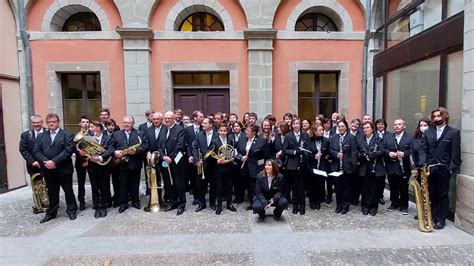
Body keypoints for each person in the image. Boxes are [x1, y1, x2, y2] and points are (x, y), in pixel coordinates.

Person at [420, 107, 461, 230]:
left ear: (445, 117)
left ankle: (441, 219)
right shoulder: (428, 132)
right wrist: (423, 163)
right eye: (435, 117)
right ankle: (432, 216)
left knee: (442, 195)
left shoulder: (453, 133)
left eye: (439, 116)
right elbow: (423, 149)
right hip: (430, 169)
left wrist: (451, 168)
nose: (437, 119)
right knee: (431, 194)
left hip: (444, 169)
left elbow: (455, 153)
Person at [33, 113, 77, 223]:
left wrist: (54, 161)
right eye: (49, 122)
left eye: (53, 121)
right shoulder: (41, 136)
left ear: (58, 122)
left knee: (68, 190)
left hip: (63, 169)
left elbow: (68, 150)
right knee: (52, 192)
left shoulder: (67, 134)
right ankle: (51, 212)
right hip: (47, 169)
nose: (51, 123)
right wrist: (45, 162)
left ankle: (71, 210)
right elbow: (36, 151)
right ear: (46, 123)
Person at [113, 116, 149, 214]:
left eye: (128, 123)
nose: (126, 124)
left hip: (135, 162)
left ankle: (135, 201)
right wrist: (115, 152)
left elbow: (145, 146)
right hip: (121, 163)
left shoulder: (140, 133)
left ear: (133, 123)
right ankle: (123, 203)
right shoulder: (116, 134)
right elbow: (111, 146)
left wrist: (136, 151)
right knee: (122, 184)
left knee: (135, 183)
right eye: (124, 122)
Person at [82, 121, 115, 218]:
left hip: (104, 166)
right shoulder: (88, 139)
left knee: (104, 186)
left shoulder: (108, 139)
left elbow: (111, 150)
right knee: (94, 187)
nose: (90, 128)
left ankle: (104, 206)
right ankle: (97, 206)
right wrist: (85, 155)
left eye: (92, 127)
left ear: (98, 128)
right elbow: (85, 151)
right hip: (92, 166)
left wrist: (100, 157)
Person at [158, 111, 187, 216]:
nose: (166, 120)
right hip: (165, 161)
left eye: (169, 118)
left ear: (174, 118)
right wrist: (163, 156)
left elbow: (180, 145)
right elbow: (159, 146)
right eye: (165, 118)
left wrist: (171, 157)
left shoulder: (180, 130)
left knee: (179, 184)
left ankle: (181, 205)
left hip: (177, 162)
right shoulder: (163, 130)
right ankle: (173, 202)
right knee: (168, 184)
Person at [235, 125, 270, 210]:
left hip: (256, 168)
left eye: (248, 131)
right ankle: (251, 201)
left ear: (254, 132)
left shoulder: (262, 141)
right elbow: (237, 151)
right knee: (247, 186)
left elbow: (265, 156)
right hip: (244, 167)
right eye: (246, 130)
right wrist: (240, 157)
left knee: (254, 187)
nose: (246, 132)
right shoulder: (242, 139)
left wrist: (263, 167)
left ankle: (256, 203)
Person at [357, 121, 386, 216]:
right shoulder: (360, 139)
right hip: (364, 167)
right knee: (364, 188)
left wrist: (371, 155)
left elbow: (382, 150)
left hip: (376, 167)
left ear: (372, 128)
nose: (366, 129)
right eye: (364, 128)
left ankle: (373, 207)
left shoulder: (379, 139)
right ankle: (365, 206)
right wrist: (363, 156)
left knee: (375, 189)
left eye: (367, 127)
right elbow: (357, 152)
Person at [19, 115, 47, 213]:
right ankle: (39, 204)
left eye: (38, 122)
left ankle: (50, 202)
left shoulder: (48, 132)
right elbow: (23, 150)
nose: (36, 125)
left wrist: (44, 161)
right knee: (37, 185)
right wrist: (33, 162)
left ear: (42, 122)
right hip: (33, 165)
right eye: (34, 123)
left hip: (46, 163)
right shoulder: (25, 135)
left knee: (48, 184)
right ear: (31, 123)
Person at [329, 120, 358, 214]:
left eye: (343, 126)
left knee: (347, 188)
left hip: (347, 167)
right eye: (339, 126)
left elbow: (354, 152)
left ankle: (345, 206)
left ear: (346, 127)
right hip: (336, 167)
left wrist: (353, 166)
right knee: (337, 188)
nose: (341, 128)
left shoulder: (351, 137)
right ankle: (338, 205)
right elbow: (330, 150)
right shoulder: (333, 137)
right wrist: (337, 154)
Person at [282, 118, 309, 215]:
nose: (296, 125)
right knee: (294, 187)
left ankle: (302, 207)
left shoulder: (305, 135)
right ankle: (295, 206)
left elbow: (308, 148)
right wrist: (294, 152)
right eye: (294, 124)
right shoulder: (288, 136)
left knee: (302, 187)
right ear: (292, 125)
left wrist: (304, 153)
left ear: (300, 125)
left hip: (302, 164)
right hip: (292, 164)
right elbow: (284, 150)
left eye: (297, 123)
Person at [386, 119, 412, 215]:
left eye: (399, 124)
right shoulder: (389, 137)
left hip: (403, 167)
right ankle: (394, 203)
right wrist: (389, 153)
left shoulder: (409, 137)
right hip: (392, 166)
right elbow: (384, 149)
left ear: (404, 126)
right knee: (393, 186)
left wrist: (404, 153)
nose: (396, 126)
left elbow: (413, 151)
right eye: (395, 124)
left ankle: (404, 205)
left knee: (404, 187)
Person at [191, 117, 218, 212]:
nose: (203, 124)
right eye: (203, 123)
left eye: (205, 123)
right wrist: (197, 160)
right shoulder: (199, 135)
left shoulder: (217, 134)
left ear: (211, 125)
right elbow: (194, 147)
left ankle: (212, 203)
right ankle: (201, 204)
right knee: (200, 185)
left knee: (213, 184)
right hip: (201, 164)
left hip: (214, 164)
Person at [211, 124, 237, 214]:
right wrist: (217, 160)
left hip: (228, 167)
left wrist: (230, 158)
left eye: (224, 131)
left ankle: (229, 204)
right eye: (221, 131)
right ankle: (219, 206)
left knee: (229, 186)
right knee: (219, 187)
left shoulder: (230, 140)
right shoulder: (214, 141)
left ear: (227, 131)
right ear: (218, 131)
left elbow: (230, 151)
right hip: (218, 168)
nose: (223, 132)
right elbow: (211, 154)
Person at [306, 124, 330, 210]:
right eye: (320, 130)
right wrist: (314, 156)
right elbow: (307, 153)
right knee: (312, 185)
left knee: (320, 184)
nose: (322, 131)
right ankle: (312, 202)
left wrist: (326, 157)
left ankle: (318, 201)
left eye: (322, 130)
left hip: (322, 166)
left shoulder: (326, 141)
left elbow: (328, 152)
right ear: (315, 131)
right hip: (312, 166)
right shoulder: (309, 140)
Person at [144, 112, 167, 202]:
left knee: (166, 178)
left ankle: (167, 197)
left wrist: (161, 153)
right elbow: (146, 143)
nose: (156, 121)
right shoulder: (148, 130)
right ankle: (157, 198)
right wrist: (148, 151)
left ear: (161, 119)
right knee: (154, 178)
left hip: (163, 157)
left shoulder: (166, 128)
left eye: (158, 119)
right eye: (154, 119)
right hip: (152, 158)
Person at [185, 110, 204, 206]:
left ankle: (202, 197)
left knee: (201, 180)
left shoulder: (204, 128)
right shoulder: (188, 129)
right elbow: (187, 144)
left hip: (202, 158)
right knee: (193, 179)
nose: (202, 118)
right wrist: (190, 156)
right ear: (195, 118)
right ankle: (196, 197)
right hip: (192, 157)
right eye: (200, 116)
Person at [74, 116, 91, 210]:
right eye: (83, 122)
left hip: (91, 161)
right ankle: (82, 201)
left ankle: (97, 199)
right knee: (81, 183)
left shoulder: (92, 134)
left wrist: (88, 160)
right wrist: (82, 157)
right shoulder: (76, 136)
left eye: (87, 122)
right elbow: (74, 148)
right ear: (80, 124)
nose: (85, 123)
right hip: (80, 162)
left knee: (95, 182)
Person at [104, 119, 120, 207]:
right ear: (106, 126)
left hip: (115, 161)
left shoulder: (118, 134)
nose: (111, 127)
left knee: (116, 181)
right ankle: (107, 199)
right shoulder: (103, 134)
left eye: (113, 125)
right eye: (109, 125)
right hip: (105, 161)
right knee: (105, 182)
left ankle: (117, 198)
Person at [229, 121, 245, 204]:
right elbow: (228, 147)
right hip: (233, 161)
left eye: (238, 126)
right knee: (235, 180)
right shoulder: (230, 136)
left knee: (241, 180)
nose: (236, 128)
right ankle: (236, 196)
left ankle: (241, 196)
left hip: (242, 160)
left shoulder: (244, 136)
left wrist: (240, 156)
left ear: (241, 127)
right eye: (234, 126)